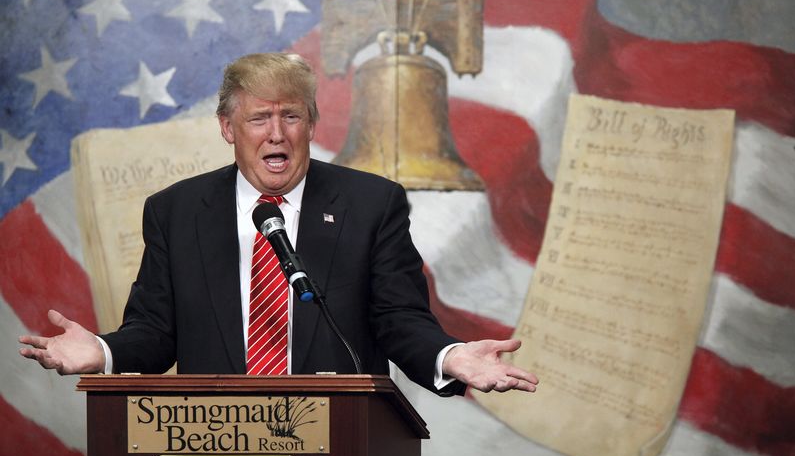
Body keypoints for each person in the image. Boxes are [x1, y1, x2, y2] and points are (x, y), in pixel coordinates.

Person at [19, 52, 538, 396]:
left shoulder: (370, 203)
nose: (277, 134)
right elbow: (156, 332)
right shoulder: (176, 211)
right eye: (258, 119)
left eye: (290, 116)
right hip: (214, 446)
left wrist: (449, 356)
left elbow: (399, 320)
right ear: (227, 127)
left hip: (339, 445)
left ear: (311, 123)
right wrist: (104, 350)